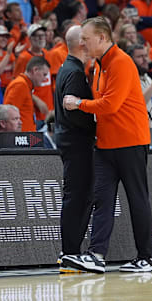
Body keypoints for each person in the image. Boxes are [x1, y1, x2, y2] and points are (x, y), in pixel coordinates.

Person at [63, 17, 152, 273]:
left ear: (102, 38)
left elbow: (110, 105)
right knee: (102, 200)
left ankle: (146, 256)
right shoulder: (98, 65)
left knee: (137, 199)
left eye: (86, 38)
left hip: (130, 142)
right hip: (105, 144)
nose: (82, 43)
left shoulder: (122, 62)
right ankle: (96, 254)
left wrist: (78, 103)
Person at [54, 26, 98, 273]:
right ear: (82, 43)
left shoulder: (67, 68)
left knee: (78, 197)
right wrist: (96, 123)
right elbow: (74, 111)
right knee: (79, 198)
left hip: (69, 140)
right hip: (77, 142)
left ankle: (70, 251)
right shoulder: (75, 72)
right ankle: (70, 252)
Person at [3, 56, 50, 132]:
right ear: (35, 70)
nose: (45, 79)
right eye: (44, 74)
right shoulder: (20, 85)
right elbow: (8, 116)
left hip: (26, 138)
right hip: (21, 139)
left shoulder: (25, 85)